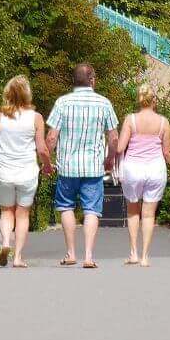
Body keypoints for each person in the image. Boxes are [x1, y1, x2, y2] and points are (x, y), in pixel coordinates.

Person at [45, 64, 119, 269]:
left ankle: (70, 253)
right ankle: (88, 256)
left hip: (67, 166)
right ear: (92, 80)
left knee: (66, 206)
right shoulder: (104, 103)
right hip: (93, 167)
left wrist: (46, 160)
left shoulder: (62, 103)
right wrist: (110, 159)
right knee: (92, 210)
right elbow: (113, 137)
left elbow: (51, 136)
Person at [0, 75, 53, 268]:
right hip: (27, 172)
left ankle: (6, 242)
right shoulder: (36, 118)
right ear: (27, 94)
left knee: (6, 211)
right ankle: (17, 257)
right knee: (22, 214)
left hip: (4, 171)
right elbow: (41, 149)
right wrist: (48, 165)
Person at [116, 84, 170, 267]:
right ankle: (145, 256)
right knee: (149, 214)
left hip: (133, 169)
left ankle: (133, 253)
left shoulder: (130, 119)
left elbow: (120, 147)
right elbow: (167, 152)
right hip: (155, 169)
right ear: (154, 100)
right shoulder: (163, 122)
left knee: (133, 210)